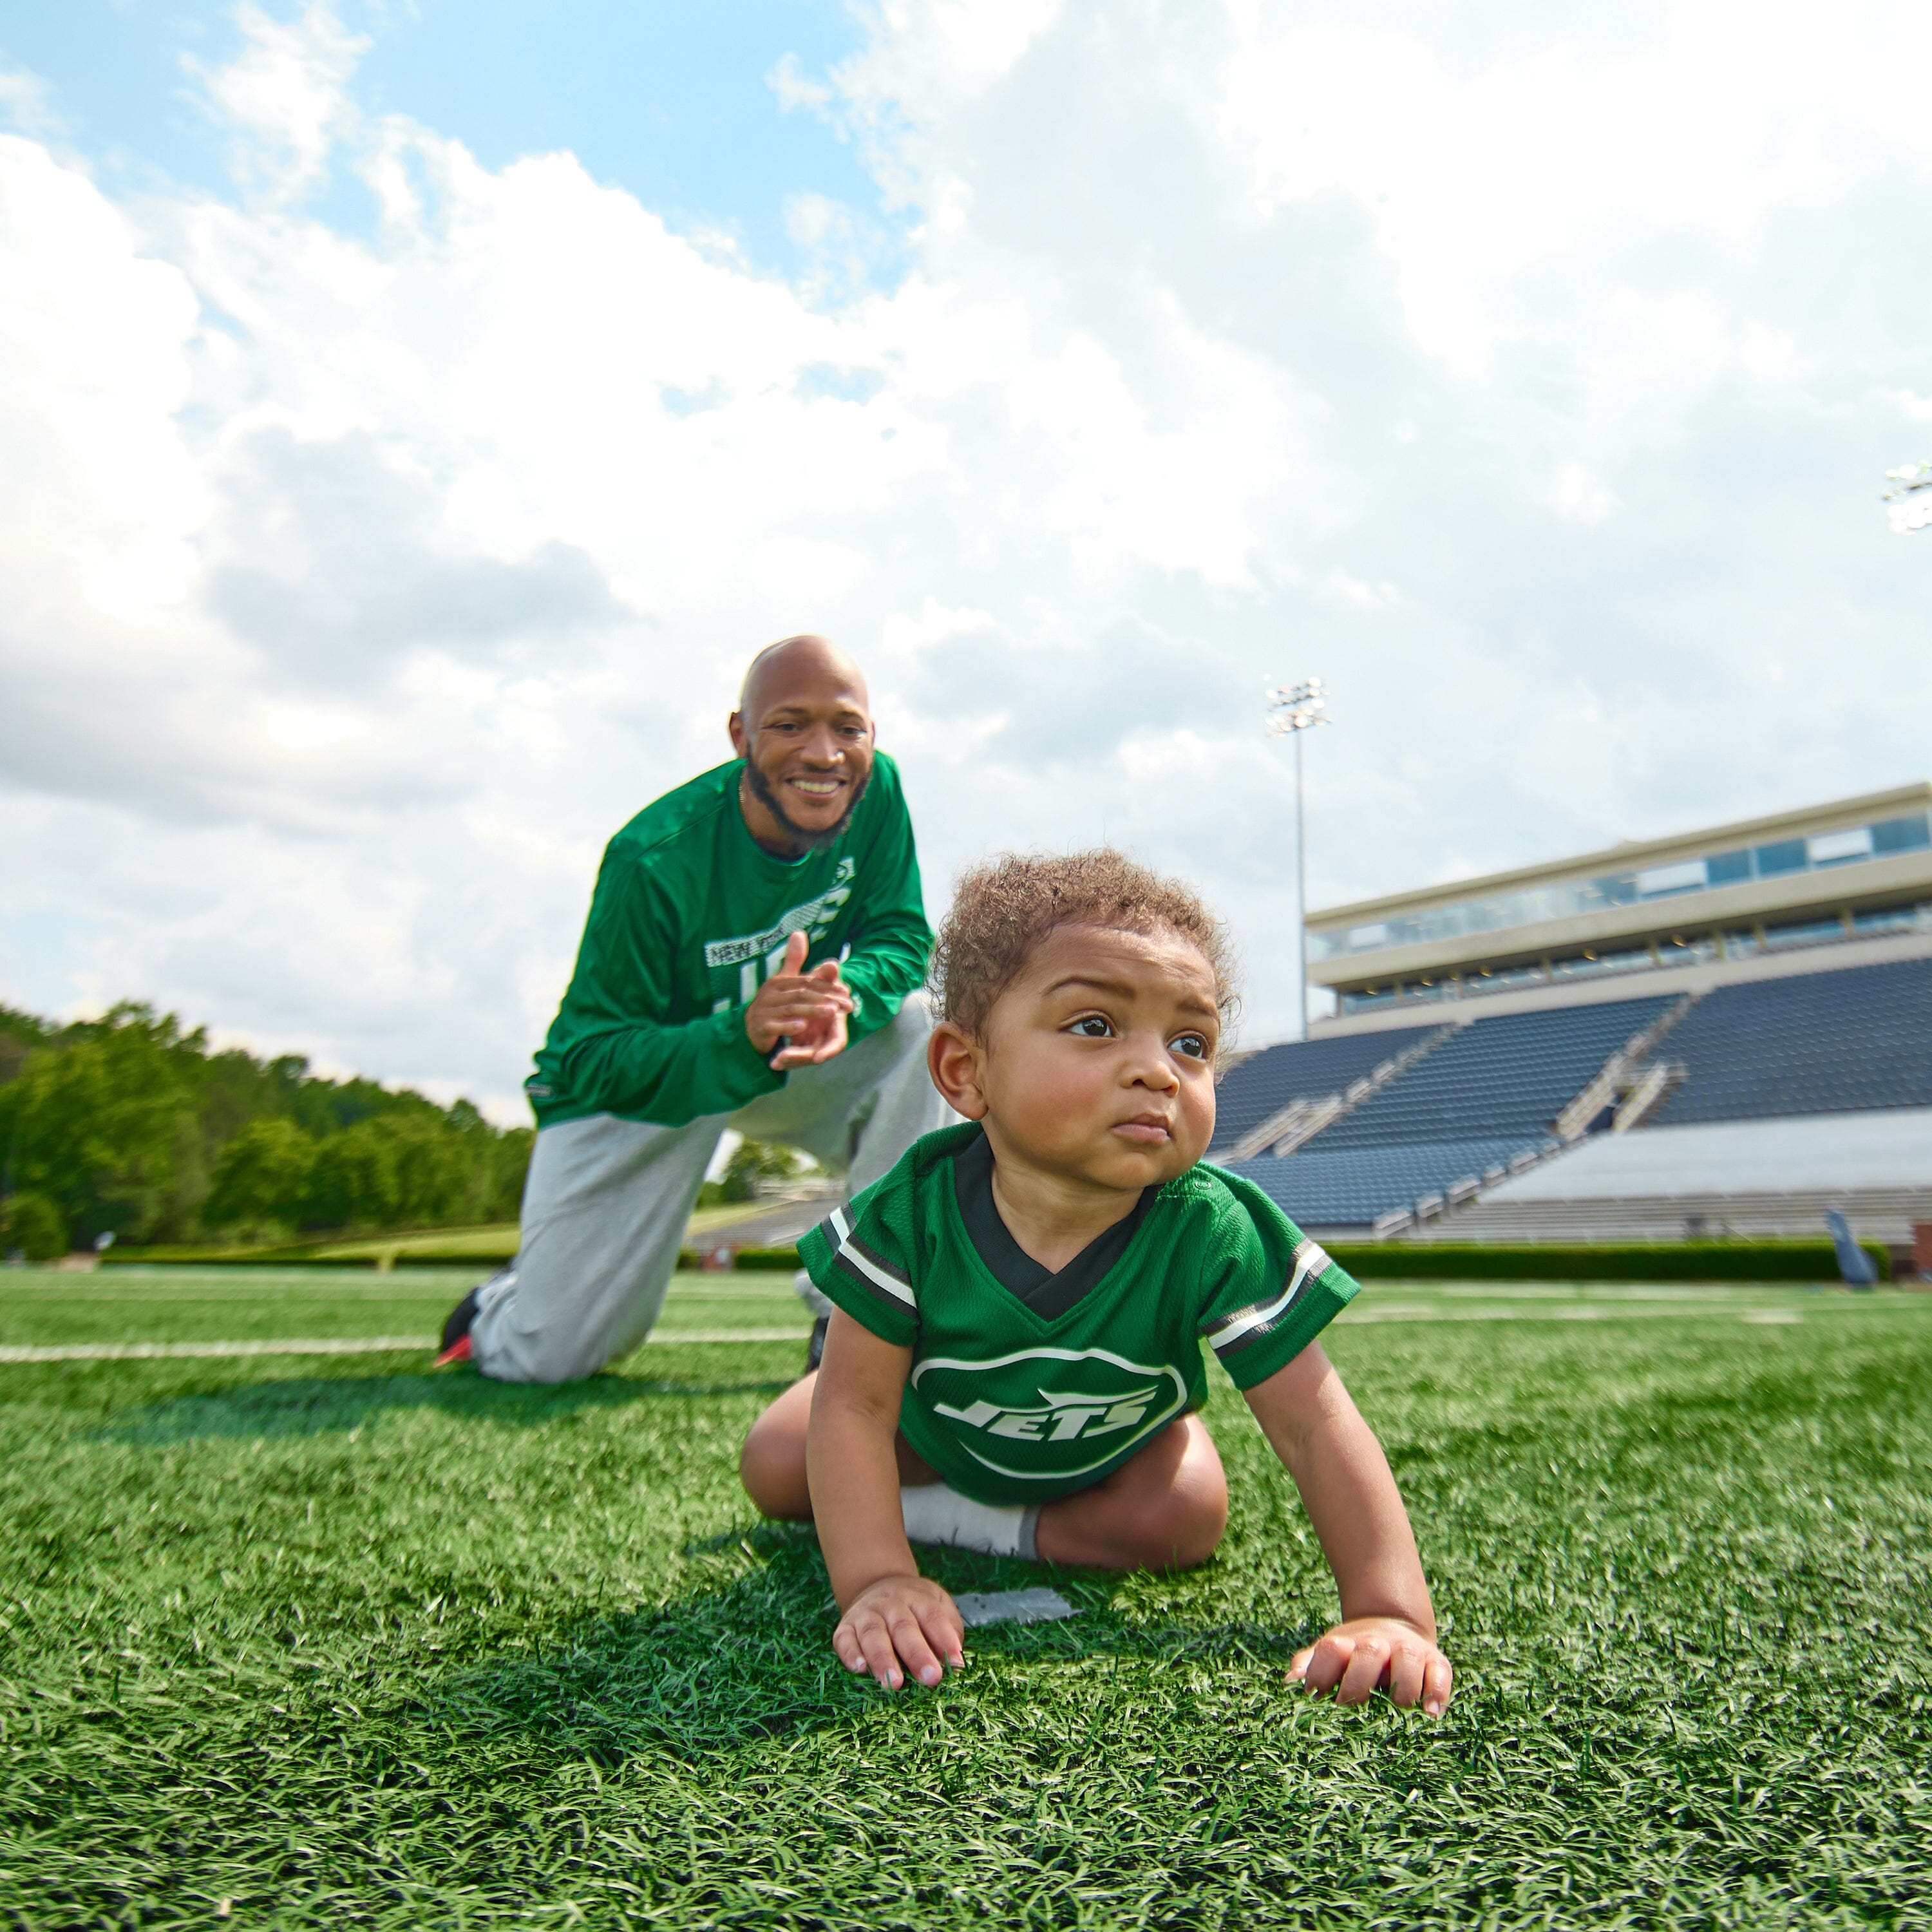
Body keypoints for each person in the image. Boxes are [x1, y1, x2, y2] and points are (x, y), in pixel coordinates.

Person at [738, 849, 1454, 1714]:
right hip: (930, 1438)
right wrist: (880, 1578)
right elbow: (855, 1410)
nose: (1159, 1069)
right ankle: (907, 1519)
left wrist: (1389, 1612)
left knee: (1187, 1514)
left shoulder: (1211, 1225)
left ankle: (958, 1523)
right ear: (966, 1071)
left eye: (1191, 1043)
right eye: (1094, 1026)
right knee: (780, 1461)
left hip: (1102, 1461)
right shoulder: (913, 1211)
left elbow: (1313, 1424)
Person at [438, 634, 952, 1381]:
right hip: (657, 1083)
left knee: (926, 1026)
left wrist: (846, 996)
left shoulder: (877, 792)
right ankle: (500, 1305)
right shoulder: (653, 858)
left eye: (848, 728)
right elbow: (591, 1056)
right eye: (788, 725)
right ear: (740, 735)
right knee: (552, 1355)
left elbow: (904, 936)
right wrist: (737, 1035)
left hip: (796, 1060)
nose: (823, 753)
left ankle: (855, 1321)